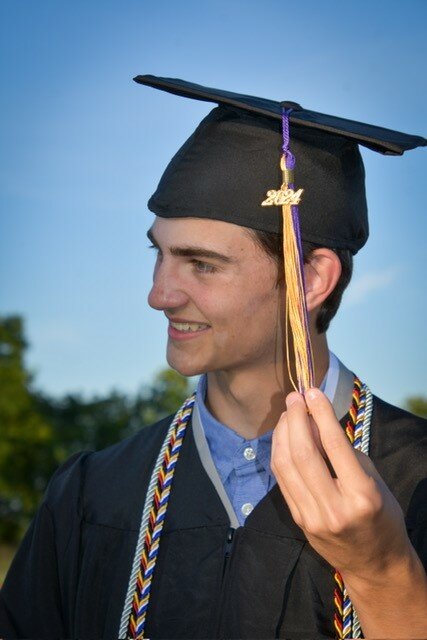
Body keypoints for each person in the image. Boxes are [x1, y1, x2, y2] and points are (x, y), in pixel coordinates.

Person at [1, 76, 426, 640]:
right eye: (159, 254)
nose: (159, 294)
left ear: (312, 278)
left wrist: (383, 573)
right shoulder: (91, 496)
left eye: (202, 264)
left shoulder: (415, 477)